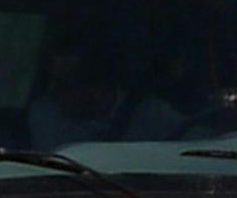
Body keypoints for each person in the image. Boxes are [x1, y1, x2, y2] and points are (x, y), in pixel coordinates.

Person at [23, 18, 184, 151]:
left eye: (63, 84)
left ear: (97, 86)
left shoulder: (153, 115)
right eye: (49, 80)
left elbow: (200, 145)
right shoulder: (45, 114)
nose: (52, 91)